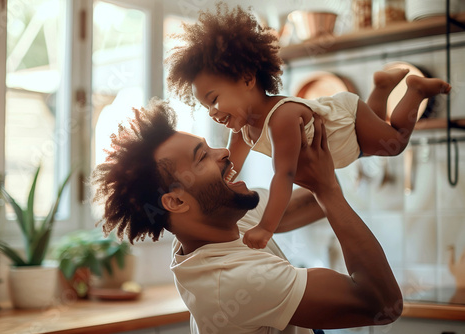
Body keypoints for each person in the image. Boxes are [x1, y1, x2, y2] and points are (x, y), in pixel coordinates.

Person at [91, 98, 402, 334]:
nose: (223, 153)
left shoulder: (219, 225)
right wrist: (327, 189)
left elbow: (312, 201)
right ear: (175, 201)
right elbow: (383, 304)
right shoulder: (230, 282)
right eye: (203, 157)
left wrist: (314, 137)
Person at [165, 3, 452, 249]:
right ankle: (382, 87)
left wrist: (266, 227)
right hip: (350, 147)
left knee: (396, 142)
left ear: (247, 79)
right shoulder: (241, 129)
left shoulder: (283, 118)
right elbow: (231, 168)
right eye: (206, 107)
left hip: (348, 123)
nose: (213, 112)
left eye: (214, 100)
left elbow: (284, 175)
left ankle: (415, 90)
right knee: (371, 143)